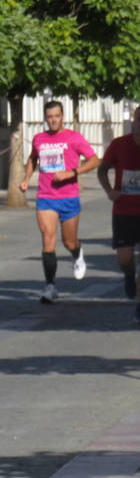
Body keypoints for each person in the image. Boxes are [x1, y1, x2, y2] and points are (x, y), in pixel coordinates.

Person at [19, 100, 100, 303]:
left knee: (69, 241)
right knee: (48, 239)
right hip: (46, 197)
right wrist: (26, 179)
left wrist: (71, 173)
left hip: (69, 197)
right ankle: (50, 286)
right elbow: (32, 159)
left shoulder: (74, 138)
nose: (53, 120)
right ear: (45, 118)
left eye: (56, 116)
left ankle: (77, 253)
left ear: (62, 116)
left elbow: (94, 160)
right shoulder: (39, 139)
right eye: (49, 117)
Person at [97, 105, 140, 324]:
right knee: (125, 259)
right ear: (133, 122)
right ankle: (128, 274)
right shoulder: (119, 145)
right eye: (139, 120)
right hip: (123, 210)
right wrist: (109, 191)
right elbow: (102, 168)